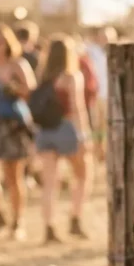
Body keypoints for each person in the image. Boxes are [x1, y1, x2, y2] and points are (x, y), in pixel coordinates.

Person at [35, 35, 90, 243]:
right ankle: (75, 218)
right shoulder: (71, 76)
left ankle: (49, 227)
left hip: (46, 131)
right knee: (83, 175)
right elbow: (78, 108)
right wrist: (84, 136)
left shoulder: (44, 76)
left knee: (50, 183)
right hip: (66, 128)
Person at [0, 23, 36, 238]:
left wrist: (12, 86)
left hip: (12, 124)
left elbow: (30, 92)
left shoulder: (17, 64)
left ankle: (17, 221)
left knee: (13, 176)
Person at [84, 27, 116, 160]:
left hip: (111, 94)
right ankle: (99, 149)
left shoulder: (115, 53)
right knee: (97, 124)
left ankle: (108, 148)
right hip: (96, 95)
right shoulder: (90, 51)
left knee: (110, 123)